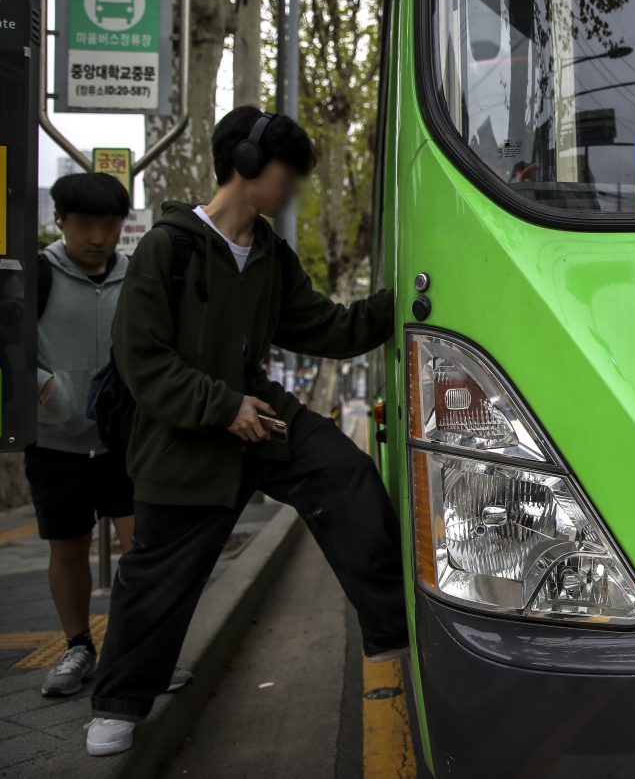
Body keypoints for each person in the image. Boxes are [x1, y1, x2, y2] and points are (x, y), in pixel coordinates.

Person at [84, 107, 407, 757]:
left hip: (261, 419)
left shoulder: (269, 254)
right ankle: (117, 701)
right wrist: (221, 405)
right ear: (249, 166)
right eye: (290, 174)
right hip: (185, 438)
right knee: (161, 573)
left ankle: (392, 633)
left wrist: (404, 303)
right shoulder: (166, 248)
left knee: (346, 478)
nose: (295, 189)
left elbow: (327, 328)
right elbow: (142, 362)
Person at [27, 173, 135, 698]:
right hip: (54, 443)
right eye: (85, 225)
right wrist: (48, 392)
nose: (98, 237)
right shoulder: (32, 275)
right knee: (68, 548)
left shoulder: (135, 277)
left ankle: (137, 651)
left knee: (140, 547)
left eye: (110, 226)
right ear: (60, 221)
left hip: (124, 442)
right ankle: (76, 646)